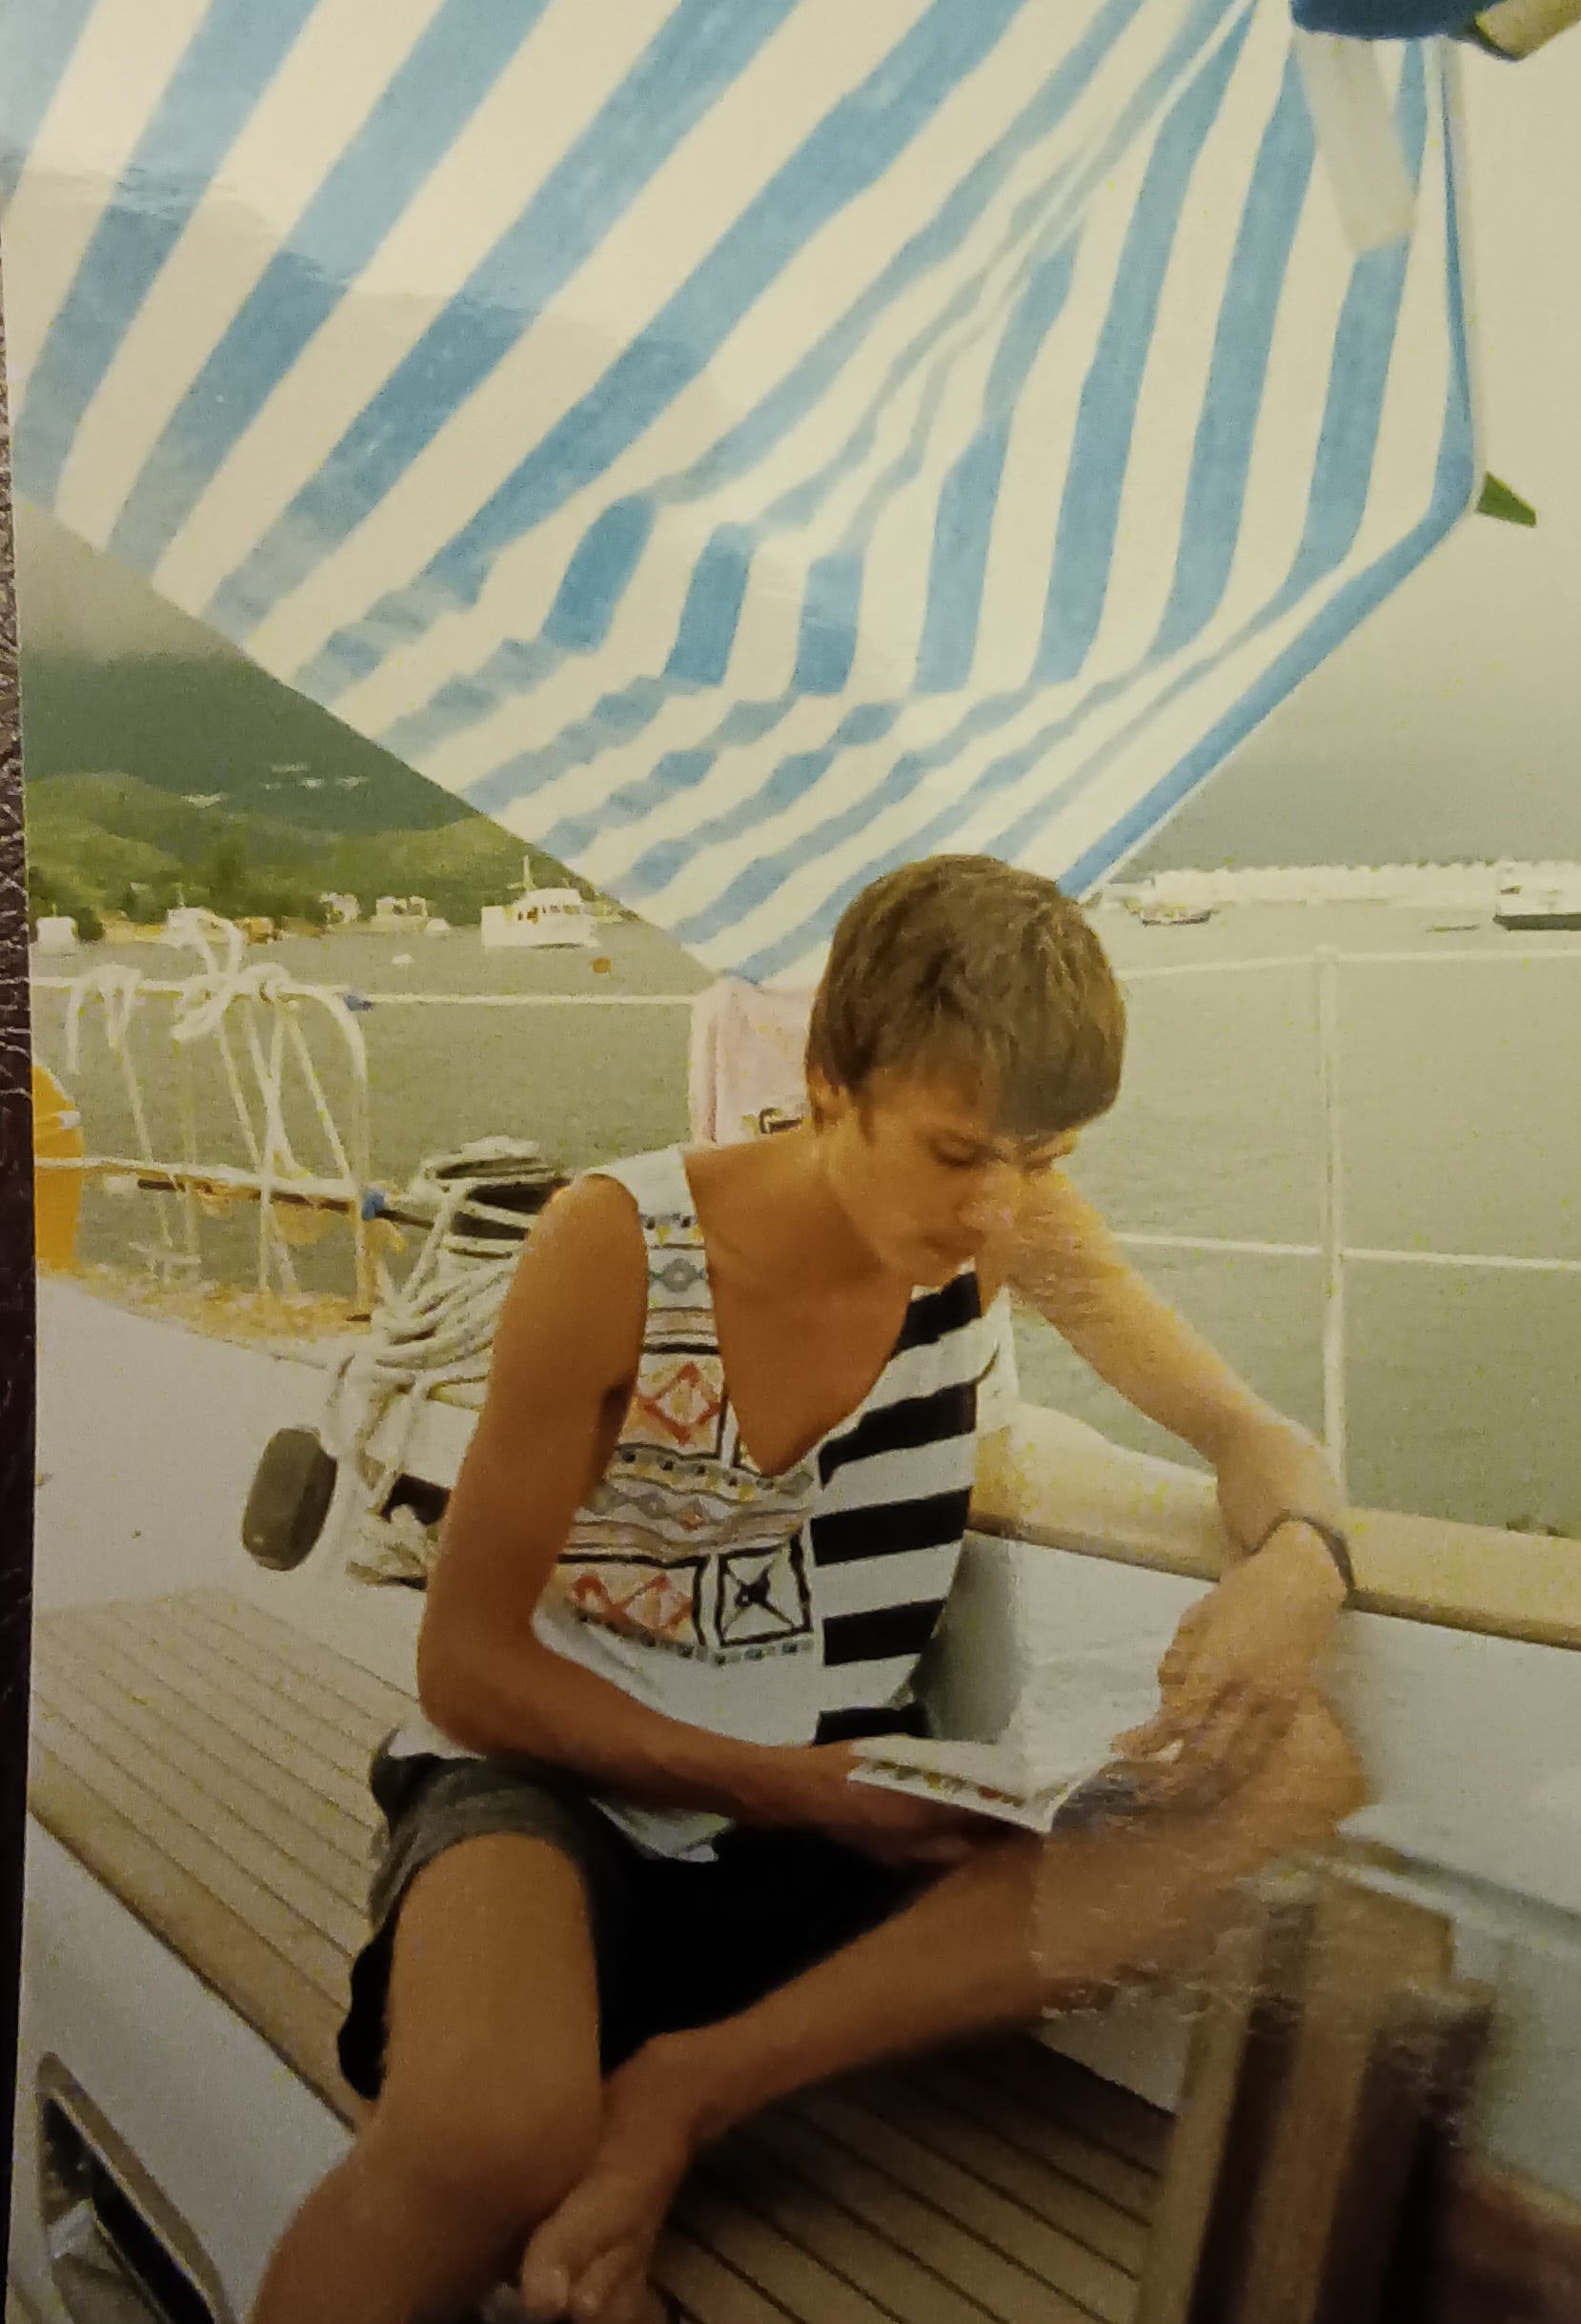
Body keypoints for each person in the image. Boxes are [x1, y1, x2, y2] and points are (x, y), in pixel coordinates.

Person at [251, 855, 1363, 2324]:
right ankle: (614, 2082)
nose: (997, 1207)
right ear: (831, 1080)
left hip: (829, 1801)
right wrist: (795, 1786)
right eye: (956, 1152)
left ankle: (685, 2088)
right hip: (559, 1792)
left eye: (1042, 1157)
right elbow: (467, 1665)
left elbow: (1249, 1433)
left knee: (1296, 1760)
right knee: (484, 2140)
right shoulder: (617, 1247)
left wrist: (1298, 1572)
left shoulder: (1015, 1231)